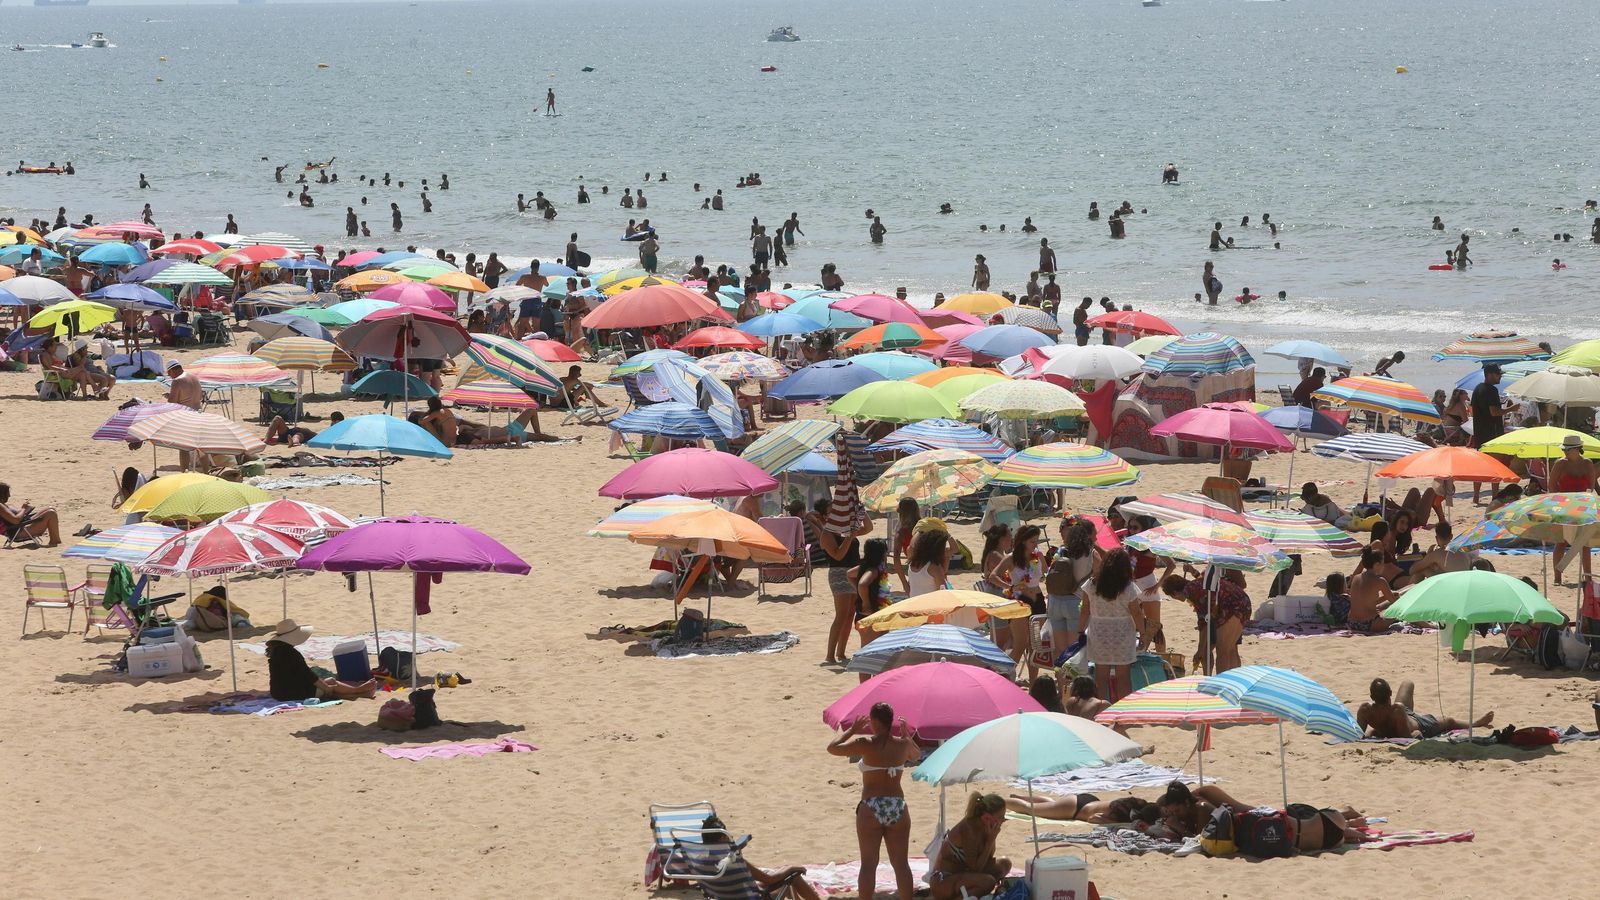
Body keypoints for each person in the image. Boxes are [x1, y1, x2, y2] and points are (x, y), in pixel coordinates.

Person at [826, 702, 919, 900]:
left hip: (871, 806)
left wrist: (852, 730)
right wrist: (907, 736)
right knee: (901, 864)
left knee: (868, 864)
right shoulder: (902, 745)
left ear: (875, 721)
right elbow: (916, 755)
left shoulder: (865, 743)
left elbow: (832, 748)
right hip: (897, 806)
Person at [1079, 548, 1143, 701]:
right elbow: (1136, 613)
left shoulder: (1092, 584)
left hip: (1099, 631)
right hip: (1123, 632)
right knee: (1123, 677)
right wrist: (1143, 633)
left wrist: (1080, 631)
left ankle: (1100, 709)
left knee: (1101, 676)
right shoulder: (1128, 587)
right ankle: (1122, 713)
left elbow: (1085, 610)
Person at [263, 619, 377, 702]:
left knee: (328, 683)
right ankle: (358, 691)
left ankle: (361, 693)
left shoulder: (275, 652)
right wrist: (326, 688)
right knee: (331, 683)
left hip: (278, 692)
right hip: (291, 692)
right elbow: (308, 675)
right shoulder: (291, 654)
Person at [929, 793, 1010, 900]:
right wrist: (990, 840)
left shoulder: (984, 827)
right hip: (943, 881)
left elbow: (988, 859)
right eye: (1001, 817)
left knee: (1005, 863)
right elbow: (976, 869)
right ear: (987, 818)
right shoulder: (969, 829)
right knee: (988, 881)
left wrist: (991, 837)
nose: (1003, 820)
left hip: (962, 875)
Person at [1358, 677, 1492, 739]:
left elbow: (1357, 734)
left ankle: (1476, 723)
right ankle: (1475, 724)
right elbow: (1406, 737)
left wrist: (1373, 732)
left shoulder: (1365, 710)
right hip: (1419, 724)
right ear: (1391, 693)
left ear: (1371, 696)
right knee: (1449, 721)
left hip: (1405, 716)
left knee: (1407, 683)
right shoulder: (1397, 709)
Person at [1046, 517, 1098, 654]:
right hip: (1075, 602)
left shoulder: (1061, 550)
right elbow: (1099, 577)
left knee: (1060, 649)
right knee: (1074, 650)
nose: (1096, 538)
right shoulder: (1090, 553)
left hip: (1055, 601)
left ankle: (1060, 676)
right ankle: (1074, 676)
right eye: (1094, 534)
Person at [1005, 789, 1147, 825]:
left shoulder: (1129, 803)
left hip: (1090, 800)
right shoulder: (1120, 815)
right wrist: (1112, 823)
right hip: (1075, 808)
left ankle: (1019, 797)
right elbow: (1093, 819)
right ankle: (1000, 802)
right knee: (1029, 809)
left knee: (1052, 803)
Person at [1346, 547, 1397, 634]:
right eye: (1382, 563)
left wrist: (1385, 597)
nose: (1383, 566)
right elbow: (1394, 602)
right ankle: (1427, 625)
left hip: (1352, 623)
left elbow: (1365, 601)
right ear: (1376, 565)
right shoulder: (1380, 581)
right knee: (1399, 613)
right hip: (1370, 624)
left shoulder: (1356, 577)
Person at [0, 482, 62, 547]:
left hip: (21, 526)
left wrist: (24, 510)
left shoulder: (2, 505)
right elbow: (16, 520)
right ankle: (54, 541)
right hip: (19, 532)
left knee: (50, 508)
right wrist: (23, 509)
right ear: (2, 494)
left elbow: (14, 518)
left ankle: (55, 540)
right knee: (51, 513)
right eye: (7, 493)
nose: (9, 495)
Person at [1470, 363, 1511, 451]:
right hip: (1491, 435)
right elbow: (1494, 412)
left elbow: (1472, 411)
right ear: (1489, 375)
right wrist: (1511, 409)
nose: (1500, 376)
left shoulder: (1477, 388)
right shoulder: (1492, 390)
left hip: (1479, 434)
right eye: (1498, 374)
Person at [905, 528, 950, 597]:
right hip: (929, 605)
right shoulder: (934, 568)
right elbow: (943, 592)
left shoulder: (912, 563)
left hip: (914, 603)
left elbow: (911, 547)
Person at [266, 411, 342, 446]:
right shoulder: (332, 428)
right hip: (289, 432)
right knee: (277, 418)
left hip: (306, 435)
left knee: (298, 435)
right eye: (333, 420)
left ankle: (293, 442)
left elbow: (331, 437)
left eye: (335, 421)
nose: (333, 422)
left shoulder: (337, 430)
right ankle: (265, 440)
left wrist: (337, 425)